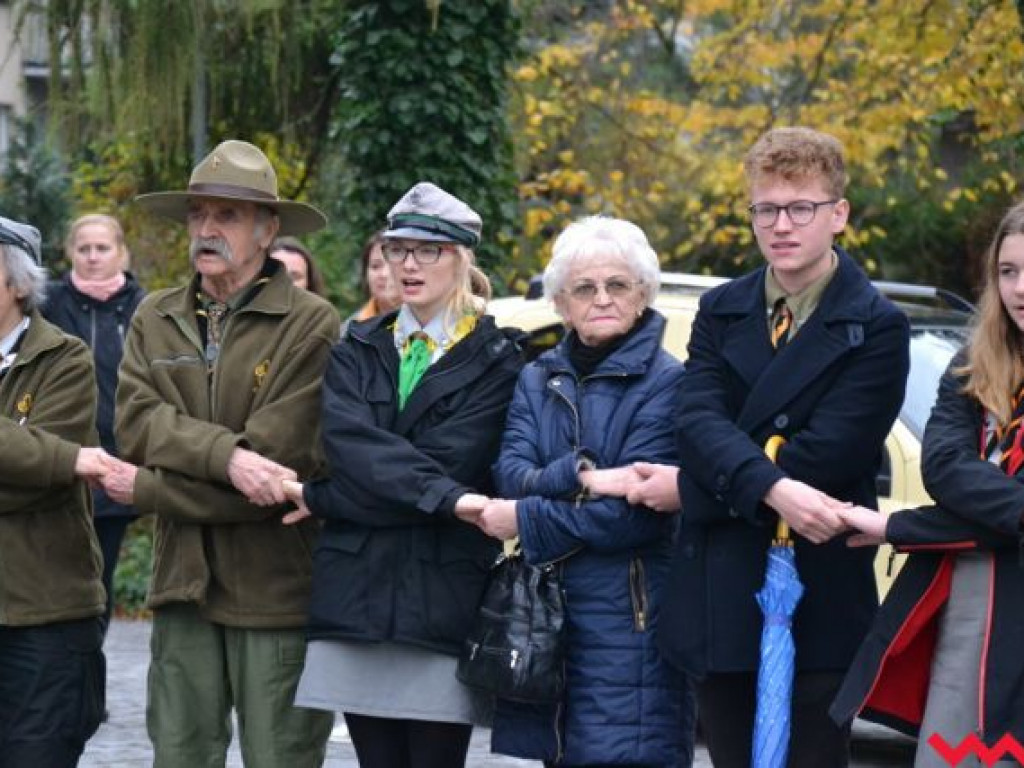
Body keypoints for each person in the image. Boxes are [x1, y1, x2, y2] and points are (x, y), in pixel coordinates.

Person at [644, 126, 911, 768]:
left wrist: (713, 485)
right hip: (723, 589)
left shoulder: (877, 325)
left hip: (818, 589)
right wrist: (772, 486)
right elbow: (694, 422)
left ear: (838, 214)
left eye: (801, 208)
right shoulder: (722, 308)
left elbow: (831, 457)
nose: (781, 225)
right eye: (766, 209)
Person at [110, 139, 339, 767]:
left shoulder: (311, 323)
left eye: (227, 216)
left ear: (269, 229)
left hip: (276, 592)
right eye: (198, 214)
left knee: (280, 757)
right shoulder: (153, 316)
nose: (206, 230)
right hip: (182, 585)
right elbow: (135, 425)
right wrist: (229, 459)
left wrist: (153, 487)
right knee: (180, 756)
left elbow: (279, 465)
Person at [280, 181, 524, 768]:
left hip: (441, 597)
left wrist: (327, 498)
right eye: (398, 249)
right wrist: (449, 500)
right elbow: (351, 450)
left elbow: (452, 462)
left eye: (428, 250)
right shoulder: (356, 346)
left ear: (463, 256)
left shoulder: (498, 358)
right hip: (356, 594)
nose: (408, 265)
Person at [468, 215, 696, 767]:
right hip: (545, 613)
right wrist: (584, 477)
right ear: (561, 303)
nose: (601, 299)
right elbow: (511, 473)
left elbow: (631, 517)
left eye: (617, 285)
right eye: (584, 288)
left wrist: (523, 518)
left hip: (631, 619)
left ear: (642, 295)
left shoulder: (670, 382)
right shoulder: (536, 376)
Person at [831, 201, 1024, 764]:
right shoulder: (974, 364)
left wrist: (897, 526)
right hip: (972, 617)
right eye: (1008, 271)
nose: (1018, 288)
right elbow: (944, 469)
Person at [0, 215, 120, 766]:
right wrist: (51, 459)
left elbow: (41, 480)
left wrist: (53, 462)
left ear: (17, 284)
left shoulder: (66, 358)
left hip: (45, 618)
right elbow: (36, 462)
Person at [42, 214, 147, 638]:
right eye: (83, 248)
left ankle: (90, 684)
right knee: (52, 573)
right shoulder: (48, 302)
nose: (92, 257)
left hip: (115, 463)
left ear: (120, 251)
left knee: (98, 579)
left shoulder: (144, 307)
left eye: (102, 248)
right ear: (70, 252)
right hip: (57, 458)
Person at [342, 229, 401, 333]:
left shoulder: (434, 323)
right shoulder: (349, 330)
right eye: (375, 266)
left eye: (392, 264)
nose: (384, 274)